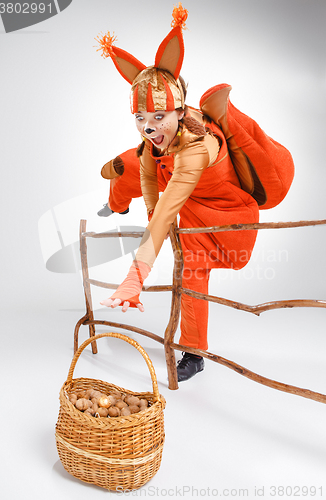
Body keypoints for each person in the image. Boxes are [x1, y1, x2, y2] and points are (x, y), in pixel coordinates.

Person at [95, 4, 293, 381]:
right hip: (180, 195)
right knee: (127, 166)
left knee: (191, 273)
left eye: (158, 118)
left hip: (223, 210)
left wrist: (136, 276)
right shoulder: (151, 144)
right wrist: (150, 215)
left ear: (178, 110)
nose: (149, 128)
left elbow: (168, 207)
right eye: (140, 119)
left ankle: (194, 353)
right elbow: (154, 191)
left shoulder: (196, 148)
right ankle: (115, 203)